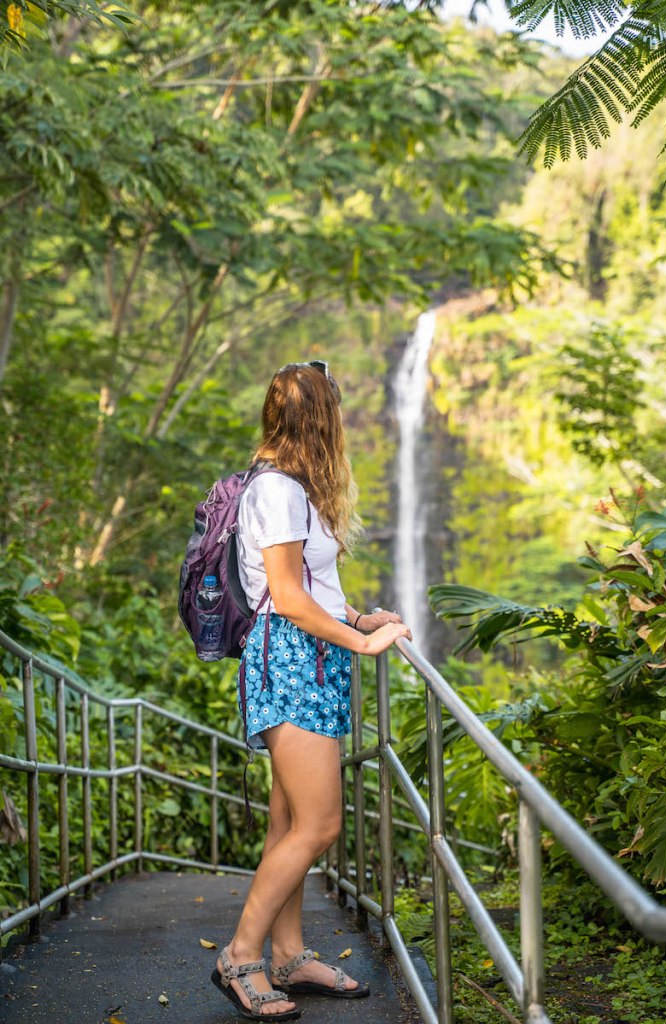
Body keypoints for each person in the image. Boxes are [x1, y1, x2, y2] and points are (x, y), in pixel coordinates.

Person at [211, 361, 411, 1020]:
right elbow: (289, 599)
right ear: (318, 420)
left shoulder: (294, 487)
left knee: (289, 821)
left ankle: (289, 954)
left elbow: (312, 587)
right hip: (290, 658)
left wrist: (358, 620)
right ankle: (241, 955)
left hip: (314, 653)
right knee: (319, 824)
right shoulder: (276, 490)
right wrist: (359, 643)